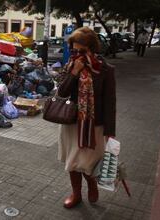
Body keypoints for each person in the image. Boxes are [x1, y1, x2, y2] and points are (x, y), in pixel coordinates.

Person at [57, 27, 116, 209]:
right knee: (73, 162)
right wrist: (74, 73)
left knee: (89, 162)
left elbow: (110, 102)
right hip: (71, 123)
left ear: (92, 49)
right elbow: (61, 93)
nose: (77, 54)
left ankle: (91, 184)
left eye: (82, 51)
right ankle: (76, 193)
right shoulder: (70, 65)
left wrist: (110, 131)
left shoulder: (105, 70)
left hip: (94, 125)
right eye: (74, 50)